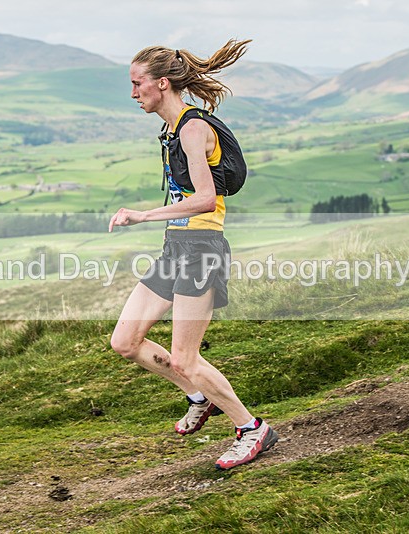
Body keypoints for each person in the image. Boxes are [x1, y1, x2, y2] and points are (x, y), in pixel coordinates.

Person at [108, 39, 279, 470]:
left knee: (186, 356)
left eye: (137, 84)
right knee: (125, 341)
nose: (133, 94)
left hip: (202, 250)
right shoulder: (170, 130)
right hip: (177, 247)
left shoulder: (191, 129)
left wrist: (143, 214)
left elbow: (205, 199)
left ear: (161, 83)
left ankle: (252, 429)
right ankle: (201, 398)